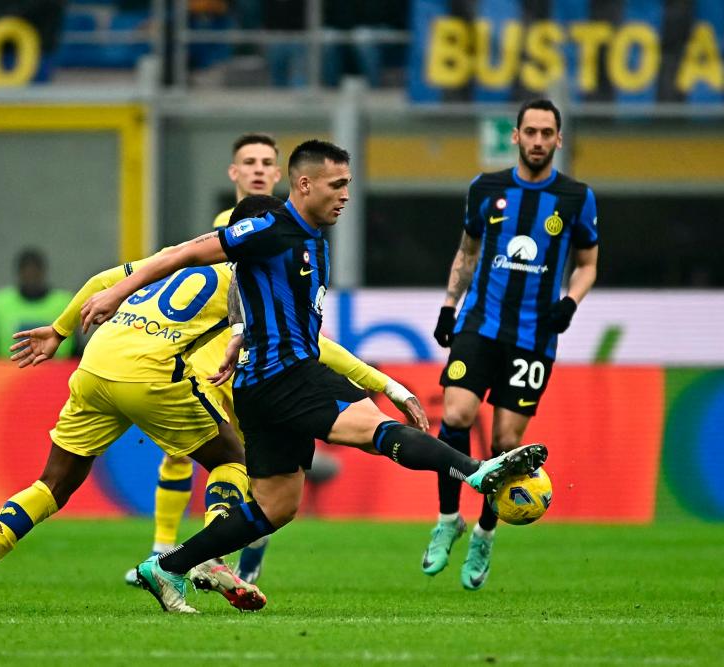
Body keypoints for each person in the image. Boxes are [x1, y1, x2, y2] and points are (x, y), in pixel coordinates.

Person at [78, 139, 548, 612]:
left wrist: (241, 338)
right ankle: (477, 471)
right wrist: (118, 291)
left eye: (349, 184)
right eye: (337, 184)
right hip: (285, 378)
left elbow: (269, 306)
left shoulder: (314, 242)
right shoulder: (268, 227)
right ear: (304, 184)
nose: (346, 195)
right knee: (374, 430)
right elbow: (185, 254)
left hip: (263, 385)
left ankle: (167, 567)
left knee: (275, 508)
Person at [0, 213, 267, 614]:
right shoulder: (251, 281)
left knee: (52, 484)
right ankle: (210, 556)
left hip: (96, 362)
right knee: (232, 459)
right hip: (150, 374)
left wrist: (58, 331)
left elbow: (98, 284)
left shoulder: (174, 256)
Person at [423, 98, 599, 591]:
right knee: (454, 417)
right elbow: (468, 251)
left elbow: (588, 263)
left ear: (558, 140)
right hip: (480, 324)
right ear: (516, 136)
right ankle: (446, 518)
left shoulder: (577, 197)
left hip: (535, 336)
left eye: (548, 133)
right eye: (531, 132)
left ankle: (484, 531)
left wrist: (571, 301)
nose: (539, 141)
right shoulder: (486, 188)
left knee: (505, 444)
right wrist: (448, 307)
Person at [125, 132, 282, 586]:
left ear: (277, 173)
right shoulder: (228, 225)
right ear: (233, 173)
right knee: (178, 452)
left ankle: (243, 564)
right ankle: (161, 549)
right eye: (248, 161)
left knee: (258, 466)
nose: (256, 169)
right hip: (209, 360)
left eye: (265, 162)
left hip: (255, 363)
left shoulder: (288, 228)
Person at [0, 248, 79, 358]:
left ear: (42, 272)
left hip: (57, 373)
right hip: (9, 373)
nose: (31, 275)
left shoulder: (64, 303)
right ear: (19, 273)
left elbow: (78, 349)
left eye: (35, 271)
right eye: (27, 271)